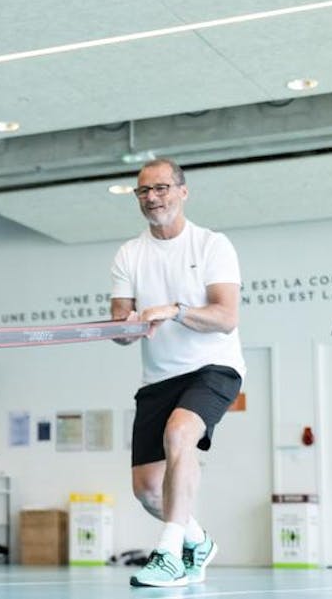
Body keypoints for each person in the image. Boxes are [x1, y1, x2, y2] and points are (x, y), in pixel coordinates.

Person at [110, 158, 244, 588]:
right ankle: (198, 541)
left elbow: (226, 316)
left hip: (213, 367)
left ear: (183, 192)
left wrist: (176, 311)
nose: (152, 198)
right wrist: (126, 329)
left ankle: (168, 554)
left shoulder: (211, 245)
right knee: (148, 488)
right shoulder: (129, 254)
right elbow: (122, 328)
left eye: (162, 188)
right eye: (144, 192)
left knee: (180, 433)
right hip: (158, 378)